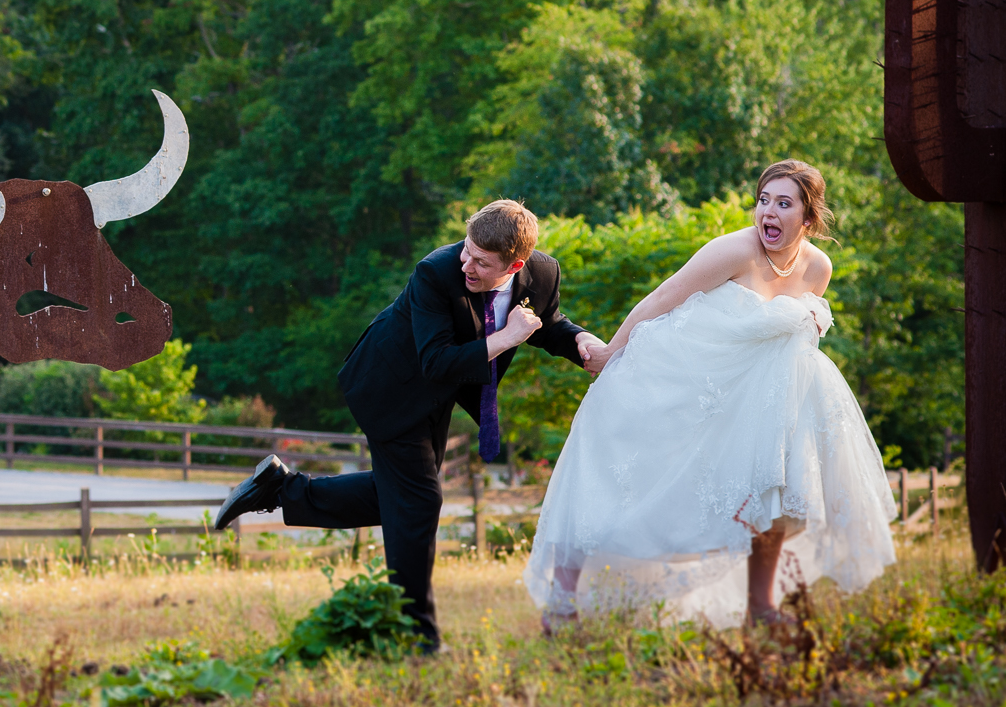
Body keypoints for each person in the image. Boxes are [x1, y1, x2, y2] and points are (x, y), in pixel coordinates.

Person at [212, 199, 609, 650]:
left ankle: (281, 490)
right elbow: (437, 359)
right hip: (390, 386)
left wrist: (578, 338)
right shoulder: (436, 273)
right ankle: (414, 634)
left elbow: (546, 322)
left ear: (515, 264)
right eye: (466, 249)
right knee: (418, 501)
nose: (467, 263)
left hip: (439, 391)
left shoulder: (542, 273)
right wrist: (507, 337)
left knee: (402, 499)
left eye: (481, 261)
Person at [523, 160, 897, 629]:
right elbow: (664, 297)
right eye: (764, 200)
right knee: (629, 478)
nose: (770, 213)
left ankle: (761, 607)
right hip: (689, 383)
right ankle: (562, 603)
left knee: (774, 495)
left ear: (808, 216)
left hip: (767, 399)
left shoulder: (818, 267)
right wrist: (610, 355)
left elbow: (792, 341)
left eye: (785, 204)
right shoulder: (734, 250)